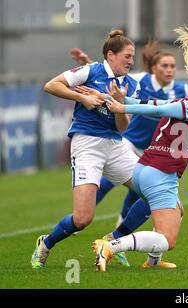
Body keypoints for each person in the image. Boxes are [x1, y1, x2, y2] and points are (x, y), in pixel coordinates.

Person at [90, 25, 188, 272]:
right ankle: (111, 245)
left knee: (177, 210)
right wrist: (123, 108)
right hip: (158, 172)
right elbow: (157, 109)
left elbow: (154, 103)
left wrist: (125, 101)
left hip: (147, 168)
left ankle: (152, 261)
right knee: (168, 239)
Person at [70, 41, 188, 269]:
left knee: (145, 197)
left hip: (154, 153)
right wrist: (87, 63)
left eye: (172, 66)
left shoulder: (183, 91)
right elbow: (112, 80)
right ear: (154, 68)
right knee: (108, 185)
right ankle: (82, 219)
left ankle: (121, 239)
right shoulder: (141, 80)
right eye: (165, 65)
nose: (169, 70)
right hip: (129, 144)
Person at [30, 29, 140, 269]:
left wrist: (119, 106)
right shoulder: (91, 71)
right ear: (111, 55)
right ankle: (46, 243)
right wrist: (83, 99)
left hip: (115, 146)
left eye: (133, 57)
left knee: (153, 192)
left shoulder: (130, 85)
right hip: (87, 144)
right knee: (82, 219)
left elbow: (122, 128)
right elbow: (51, 85)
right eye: (127, 56)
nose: (132, 61)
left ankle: (113, 241)